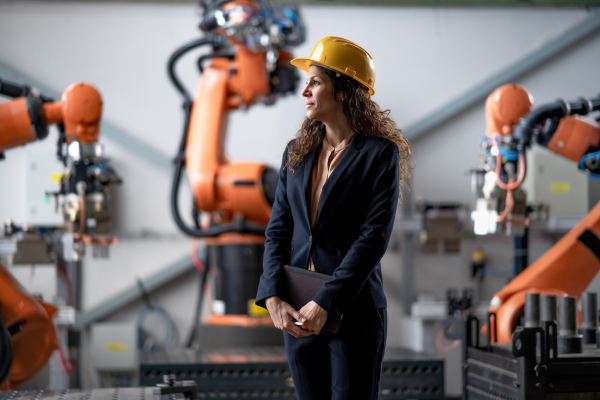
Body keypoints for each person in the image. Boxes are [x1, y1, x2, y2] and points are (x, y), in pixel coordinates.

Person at [255, 36, 412, 400]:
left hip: (352, 311)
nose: (304, 91)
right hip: (296, 311)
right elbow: (278, 230)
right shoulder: (296, 153)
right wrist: (272, 295)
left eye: (315, 82)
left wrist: (325, 302)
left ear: (342, 90)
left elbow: (373, 239)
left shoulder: (378, 155)